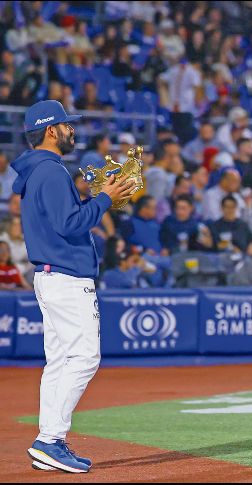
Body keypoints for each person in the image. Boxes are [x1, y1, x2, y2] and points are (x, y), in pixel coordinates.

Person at [12, 100, 134, 473]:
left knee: (60, 361)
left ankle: (52, 440)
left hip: (53, 275)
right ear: (51, 130)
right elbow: (69, 224)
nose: (72, 130)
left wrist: (97, 201)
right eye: (66, 125)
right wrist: (103, 200)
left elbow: (63, 220)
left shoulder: (40, 170)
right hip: (65, 276)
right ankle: (49, 440)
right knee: (83, 358)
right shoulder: (50, 170)